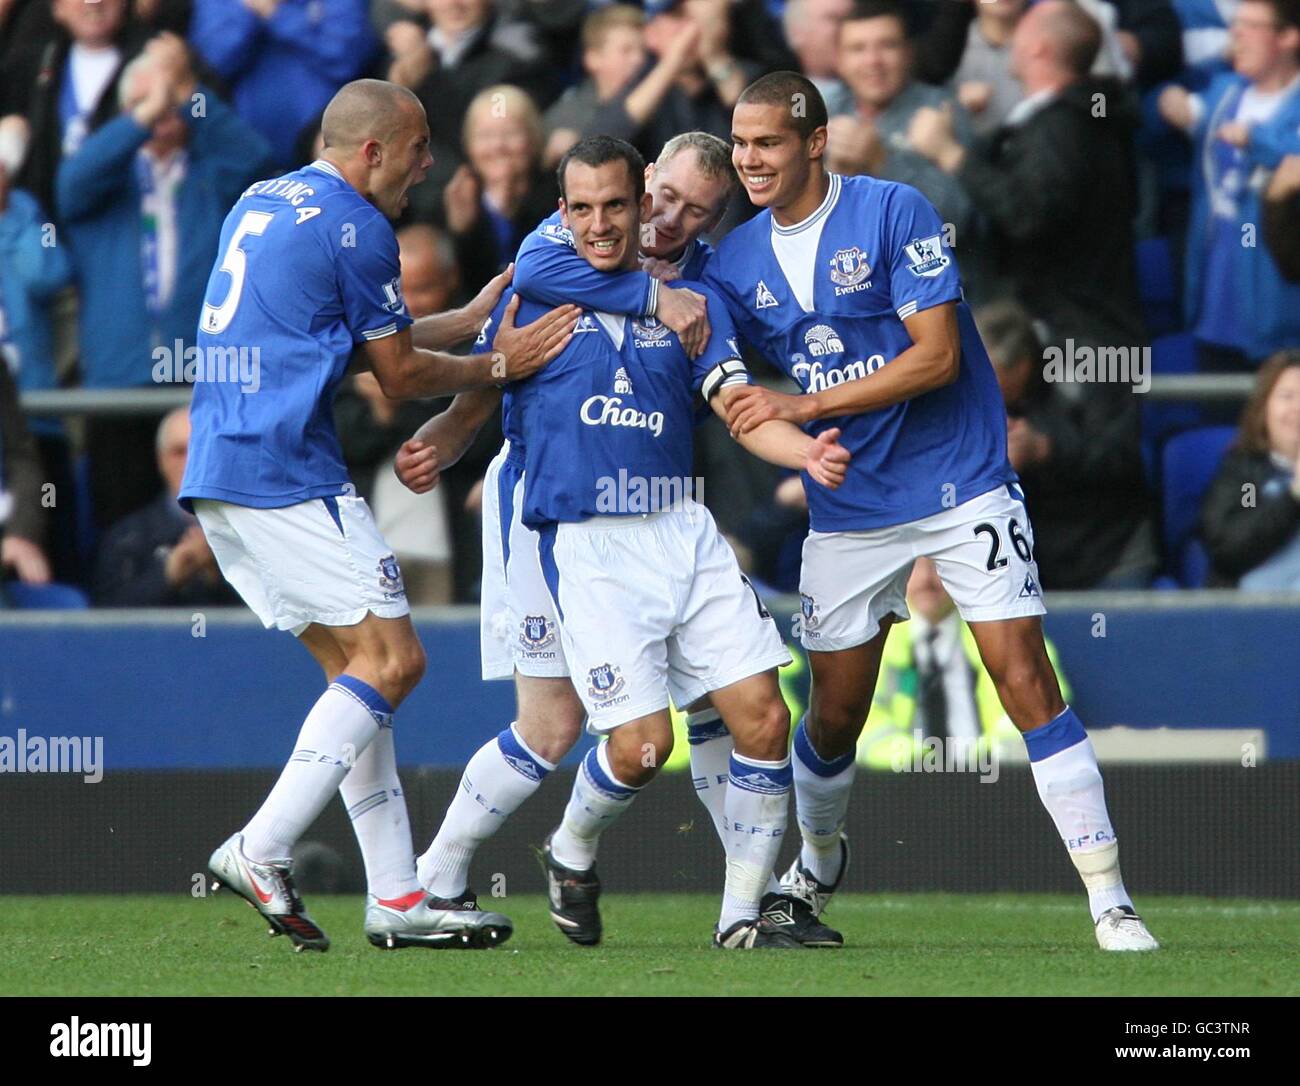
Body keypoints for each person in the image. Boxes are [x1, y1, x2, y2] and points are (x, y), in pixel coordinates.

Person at [705, 70, 1159, 951]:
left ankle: (1110, 897)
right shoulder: (734, 261)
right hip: (850, 503)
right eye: (740, 143)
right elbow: (725, 380)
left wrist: (800, 407)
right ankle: (821, 857)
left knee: (1024, 676)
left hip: (961, 480)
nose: (750, 160)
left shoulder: (894, 209)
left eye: (766, 142)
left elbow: (938, 358)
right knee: (834, 712)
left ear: (814, 141)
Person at [396, 132, 849, 948]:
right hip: (557, 514)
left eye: (690, 211)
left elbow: (738, 397)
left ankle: (745, 912)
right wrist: (452, 436)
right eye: (661, 196)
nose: (662, 219)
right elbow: (502, 341)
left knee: (745, 713)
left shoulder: (701, 293)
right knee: (559, 727)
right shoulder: (552, 258)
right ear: (645, 181)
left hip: (674, 520)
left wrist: (806, 437)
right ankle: (441, 876)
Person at [180, 78, 578, 953]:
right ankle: (262, 845)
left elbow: (344, 342)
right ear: (371, 152)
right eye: (417, 148)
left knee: (356, 680)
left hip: (222, 467)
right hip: (284, 468)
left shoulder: (265, 199)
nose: (427, 166)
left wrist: (467, 323)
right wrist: (497, 363)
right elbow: (396, 378)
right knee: (396, 660)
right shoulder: (358, 224)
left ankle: (398, 897)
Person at [56, 33, 273, 531]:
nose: (158, 116)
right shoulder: (104, 186)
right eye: (142, 106)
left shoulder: (215, 174)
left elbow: (255, 162)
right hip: (118, 382)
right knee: (120, 520)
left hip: (203, 378)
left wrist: (187, 93)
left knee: (220, 520)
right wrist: (146, 109)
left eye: (169, 104)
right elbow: (72, 183)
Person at [907, 1, 1147, 345]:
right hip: (1088, 329)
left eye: (1022, 30)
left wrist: (951, 154)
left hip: (1078, 339)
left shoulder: (1061, 127)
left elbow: (1028, 214)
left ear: (1039, 47)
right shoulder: (1085, 117)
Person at [976, 298, 1158, 589]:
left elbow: (1123, 459)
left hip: (1111, 549)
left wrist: (1046, 449)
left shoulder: (1092, 365)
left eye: (990, 380)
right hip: (1024, 556)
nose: (980, 390)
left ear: (1022, 366)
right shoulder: (966, 389)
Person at [1158, 0, 1300, 370]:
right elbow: (1132, 119)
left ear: (1288, 36)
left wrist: (1256, 141)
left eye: (1252, 25)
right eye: (1236, 24)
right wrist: (1167, 96)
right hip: (1215, 308)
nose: (1236, 33)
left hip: (1281, 316)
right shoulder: (1224, 93)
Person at [856, 556, 1071, 767]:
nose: (926, 579)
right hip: (901, 787)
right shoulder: (874, 643)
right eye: (912, 566)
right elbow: (864, 725)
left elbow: (1039, 709)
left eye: (937, 565)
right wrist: (921, 763)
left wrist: (980, 761)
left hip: (995, 782)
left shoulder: (1009, 635)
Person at [824, 0, 975, 240]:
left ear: (908, 53)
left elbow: (959, 220)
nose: (873, 61)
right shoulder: (824, 113)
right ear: (838, 61)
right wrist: (831, 178)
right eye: (858, 49)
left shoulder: (941, 109)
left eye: (887, 46)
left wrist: (882, 162)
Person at [189, 0, 378, 168]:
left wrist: (278, 13)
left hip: (326, 155)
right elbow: (209, 64)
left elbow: (345, 58)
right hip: (247, 160)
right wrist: (249, 11)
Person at [94, 407, 242, 607]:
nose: (190, 461)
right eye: (179, 452)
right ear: (161, 460)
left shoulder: (252, 528)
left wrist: (216, 576)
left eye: (200, 449)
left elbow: (280, 617)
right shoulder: (126, 537)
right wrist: (167, 575)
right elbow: (105, 621)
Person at [441, 84, 558, 292]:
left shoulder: (559, 194)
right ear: (468, 144)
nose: (498, 147)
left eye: (511, 134)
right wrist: (462, 232)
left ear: (534, 138)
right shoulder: (453, 198)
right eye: (485, 136)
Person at [1201, 350, 1300, 587]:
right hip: (1254, 615)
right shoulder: (1247, 476)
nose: (1298, 408)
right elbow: (1234, 544)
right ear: (1264, 408)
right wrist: (1293, 495)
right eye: (1287, 396)